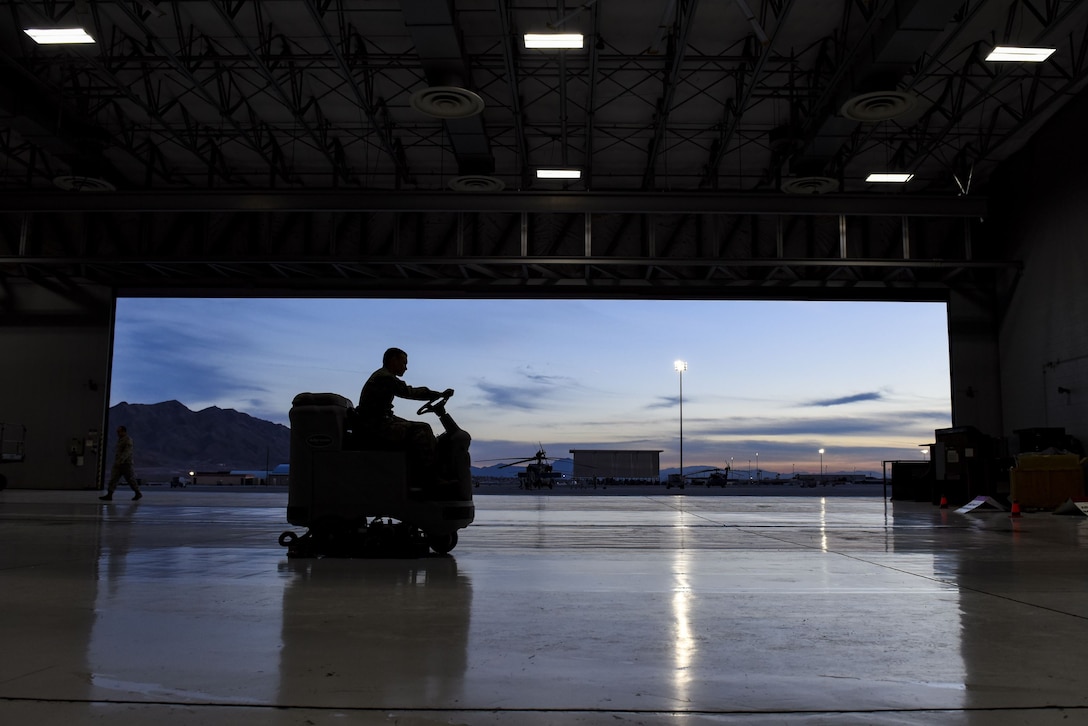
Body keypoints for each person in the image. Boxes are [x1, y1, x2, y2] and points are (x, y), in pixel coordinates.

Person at [357, 347, 453, 485]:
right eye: (404, 363)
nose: (406, 368)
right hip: (375, 426)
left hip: (376, 421)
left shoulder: (382, 376)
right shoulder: (385, 377)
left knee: (415, 427)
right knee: (423, 429)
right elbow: (409, 392)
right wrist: (437, 394)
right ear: (393, 360)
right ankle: (430, 479)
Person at [100, 425, 142, 501]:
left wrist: (121, 460)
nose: (118, 433)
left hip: (126, 464)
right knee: (113, 479)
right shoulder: (120, 440)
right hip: (118, 463)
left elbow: (127, 452)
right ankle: (109, 494)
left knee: (130, 479)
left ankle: (137, 493)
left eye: (119, 431)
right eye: (117, 432)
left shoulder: (127, 440)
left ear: (124, 431)